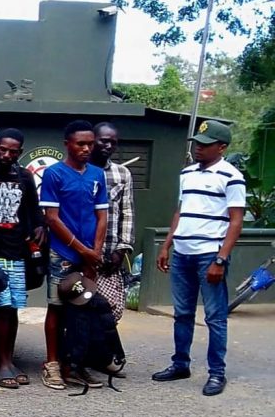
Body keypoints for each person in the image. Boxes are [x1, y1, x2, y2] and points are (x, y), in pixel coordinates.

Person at [154, 120, 245, 397]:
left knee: (215, 317)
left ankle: (217, 373)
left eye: (205, 145)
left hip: (209, 254)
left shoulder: (231, 176)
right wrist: (166, 245)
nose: (198, 149)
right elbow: (180, 211)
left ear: (222, 147)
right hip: (182, 252)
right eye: (197, 144)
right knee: (182, 313)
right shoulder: (187, 173)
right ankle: (180, 364)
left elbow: (236, 221)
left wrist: (221, 259)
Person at [39, 120, 109, 390]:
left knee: (82, 309)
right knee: (57, 307)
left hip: (90, 256)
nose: (86, 149)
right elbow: (52, 218)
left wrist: (95, 253)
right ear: (67, 144)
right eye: (81, 144)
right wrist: (82, 250)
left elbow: (102, 216)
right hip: (63, 253)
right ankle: (53, 364)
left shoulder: (97, 174)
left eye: (90, 144)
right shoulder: (54, 174)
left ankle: (75, 364)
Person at [0, 129, 45, 389]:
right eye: (3, 149)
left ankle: (9, 360)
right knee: (2, 306)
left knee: (13, 308)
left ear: (20, 153)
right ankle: (2, 364)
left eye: (12, 151)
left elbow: (34, 211)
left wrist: (39, 227)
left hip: (17, 251)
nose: (6, 155)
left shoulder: (25, 177)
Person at [90, 122, 135, 323]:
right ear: (93, 140)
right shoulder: (79, 170)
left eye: (113, 142)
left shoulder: (122, 174)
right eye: (104, 141)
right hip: (80, 254)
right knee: (78, 308)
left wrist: (121, 249)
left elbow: (127, 212)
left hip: (109, 255)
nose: (108, 146)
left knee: (110, 312)